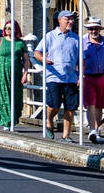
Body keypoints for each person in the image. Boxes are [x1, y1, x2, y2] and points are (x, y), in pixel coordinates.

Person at [32, 9, 80, 140]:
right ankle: (49, 120)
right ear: (60, 20)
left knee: (70, 108)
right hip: (54, 76)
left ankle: (66, 136)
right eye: (67, 19)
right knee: (54, 105)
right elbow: (36, 52)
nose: (71, 21)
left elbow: (81, 59)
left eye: (72, 19)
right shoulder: (50, 36)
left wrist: (81, 76)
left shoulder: (76, 38)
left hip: (71, 77)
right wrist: (43, 60)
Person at [0, 20, 30, 129]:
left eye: (10, 28)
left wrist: (25, 74)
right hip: (1, 71)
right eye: (6, 28)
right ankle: (6, 122)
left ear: (16, 29)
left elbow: (25, 60)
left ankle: (13, 120)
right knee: (3, 97)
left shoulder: (20, 43)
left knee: (15, 96)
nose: (7, 30)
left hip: (16, 73)